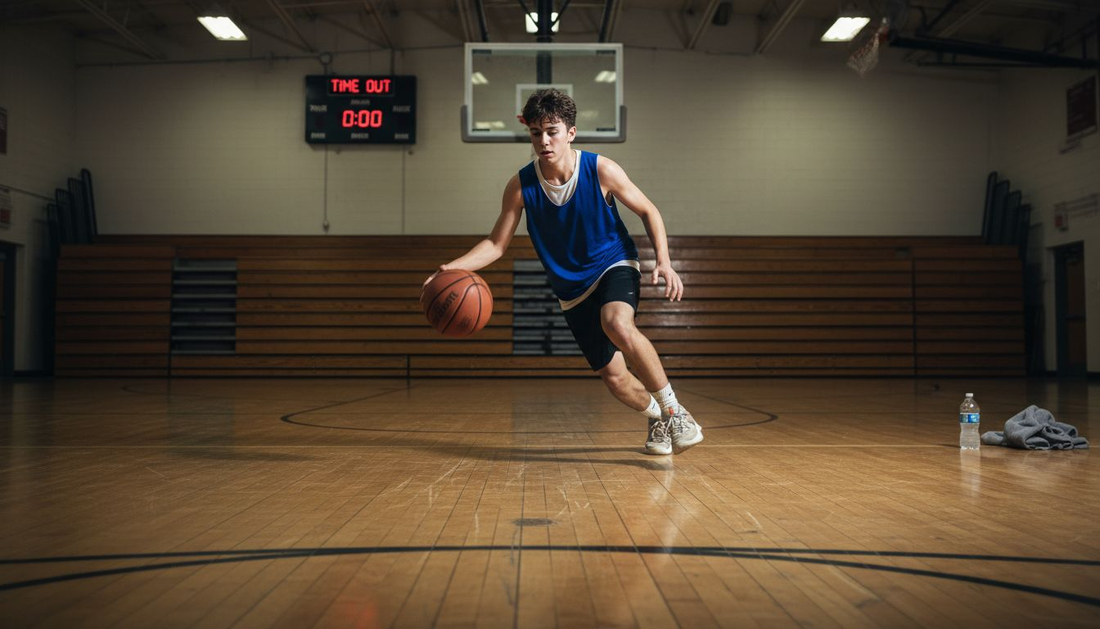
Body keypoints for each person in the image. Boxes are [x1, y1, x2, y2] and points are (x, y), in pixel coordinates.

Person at [425, 88, 702, 455]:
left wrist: (663, 262)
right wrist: (449, 269)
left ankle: (675, 412)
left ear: (570, 132)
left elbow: (649, 211)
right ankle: (657, 417)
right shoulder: (521, 186)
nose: (544, 140)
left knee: (617, 322)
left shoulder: (600, 169)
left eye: (552, 131)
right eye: (536, 132)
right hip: (571, 288)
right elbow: (496, 245)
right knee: (615, 379)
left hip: (613, 262)